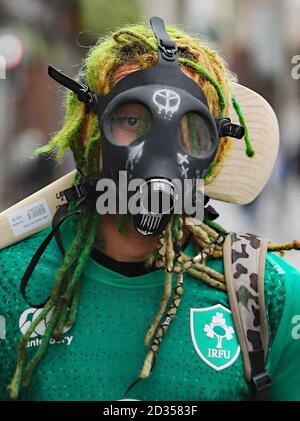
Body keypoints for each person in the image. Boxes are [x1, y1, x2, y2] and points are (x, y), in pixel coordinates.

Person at [1, 16, 300, 402]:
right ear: (89, 127)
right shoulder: (10, 286)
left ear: (216, 148)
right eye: (130, 119)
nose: (160, 151)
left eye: (188, 128)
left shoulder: (265, 293)